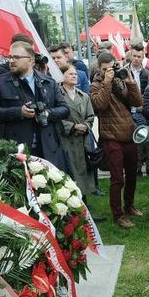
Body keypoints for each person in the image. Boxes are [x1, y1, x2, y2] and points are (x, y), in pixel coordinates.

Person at [0, 37, 72, 171]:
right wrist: (18, 112)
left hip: (48, 148)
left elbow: (65, 109)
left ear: (31, 61)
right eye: (10, 57)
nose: (11, 61)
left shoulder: (48, 82)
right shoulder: (0, 83)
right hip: (17, 148)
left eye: (16, 57)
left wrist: (48, 113)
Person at [90, 50, 144, 227]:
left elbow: (137, 102)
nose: (109, 71)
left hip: (128, 134)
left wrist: (130, 82)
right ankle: (117, 214)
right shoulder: (95, 85)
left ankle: (129, 206)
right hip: (111, 137)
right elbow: (100, 105)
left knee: (132, 175)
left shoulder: (120, 80)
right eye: (105, 69)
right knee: (117, 179)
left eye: (111, 67)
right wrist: (106, 82)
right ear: (99, 69)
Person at [56, 62, 98, 198]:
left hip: (83, 140)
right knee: (69, 173)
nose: (74, 76)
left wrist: (85, 126)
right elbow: (55, 117)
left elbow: (91, 116)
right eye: (70, 74)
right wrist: (73, 127)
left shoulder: (84, 96)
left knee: (83, 172)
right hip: (66, 140)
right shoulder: (57, 95)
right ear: (62, 76)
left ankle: (85, 206)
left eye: (75, 74)